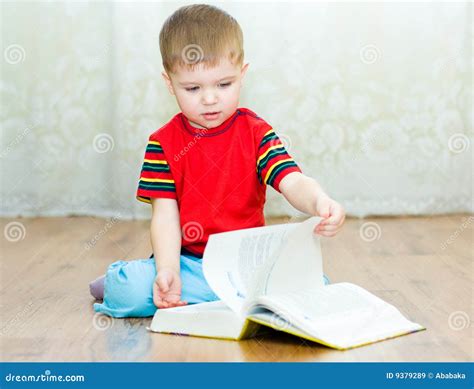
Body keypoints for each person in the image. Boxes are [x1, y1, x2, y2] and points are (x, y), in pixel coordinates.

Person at [90, 4, 345, 318]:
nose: (210, 99)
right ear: (169, 83)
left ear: (242, 75)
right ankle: (127, 280)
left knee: (314, 285)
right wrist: (168, 270)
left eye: (224, 85)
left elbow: (291, 180)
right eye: (193, 88)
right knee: (128, 291)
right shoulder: (162, 144)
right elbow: (165, 217)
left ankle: (221, 298)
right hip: (190, 265)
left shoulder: (256, 133)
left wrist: (319, 201)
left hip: (246, 264)